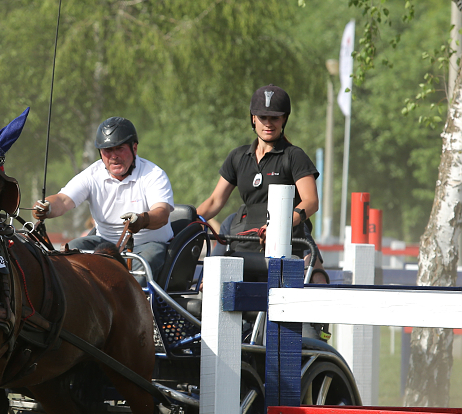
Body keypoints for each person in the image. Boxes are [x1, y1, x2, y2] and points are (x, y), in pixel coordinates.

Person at [196, 84, 327, 282]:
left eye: (274, 117)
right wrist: (188, 222)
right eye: (263, 117)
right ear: (253, 119)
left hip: (291, 238)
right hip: (247, 239)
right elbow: (214, 201)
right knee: (210, 284)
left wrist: (279, 225)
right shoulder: (238, 157)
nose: (268, 123)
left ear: (284, 119)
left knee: (317, 282)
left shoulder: (294, 156)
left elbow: (311, 202)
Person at [34, 116, 174, 285]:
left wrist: (142, 219)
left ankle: (133, 307)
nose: (113, 156)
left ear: (134, 148)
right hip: (104, 243)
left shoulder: (153, 174)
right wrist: (46, 207)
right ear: (100, 153)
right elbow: (63, 200)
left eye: (119, 148)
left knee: (140, 267)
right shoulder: (92, 175)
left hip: (149, 244)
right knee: (68, 252)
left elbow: (162, 213)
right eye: (107, 150)